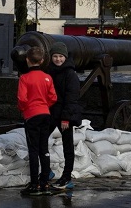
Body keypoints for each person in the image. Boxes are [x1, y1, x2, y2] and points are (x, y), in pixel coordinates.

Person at [17, 44, 58, 196]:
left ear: (27, 60)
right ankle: (45, 182)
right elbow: (53, 97)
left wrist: (25, 109)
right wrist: (44, 105)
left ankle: (34, 184)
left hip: (31, 115)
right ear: (42, 61)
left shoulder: (24, 78)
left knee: (33, 150)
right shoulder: (47, 77)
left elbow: (22, 98)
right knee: (44, 149)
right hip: (45, 114)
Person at [46, 41, 82, 190]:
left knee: (68, 146)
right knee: (41, 139)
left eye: (60, 56)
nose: (58, 59)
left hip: (64, 114)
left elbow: (72, 97)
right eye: (55, 56)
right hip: (51, 112)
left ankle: (67, 176)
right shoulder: (49, 71)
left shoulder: (70, 74)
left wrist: (66, 117)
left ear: (65, 57)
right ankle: (47, 171)